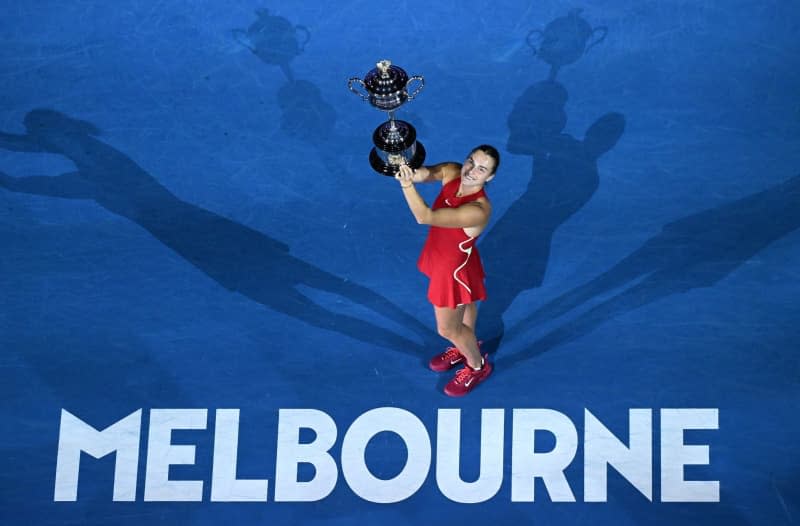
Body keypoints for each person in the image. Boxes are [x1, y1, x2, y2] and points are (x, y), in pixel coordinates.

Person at [395, 145, 500, 396]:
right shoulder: (453, 171)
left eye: (482, 169)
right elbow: (424, 174)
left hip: (452, 271)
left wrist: (406, 185)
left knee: (447, 329)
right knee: (465, 307)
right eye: (471, 162)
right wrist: (404, 168)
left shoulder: (477, 210)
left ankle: (477, 365)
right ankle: (465, 344)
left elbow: (424, 216)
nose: (471, 171)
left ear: (490, 178)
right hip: (446, 256)